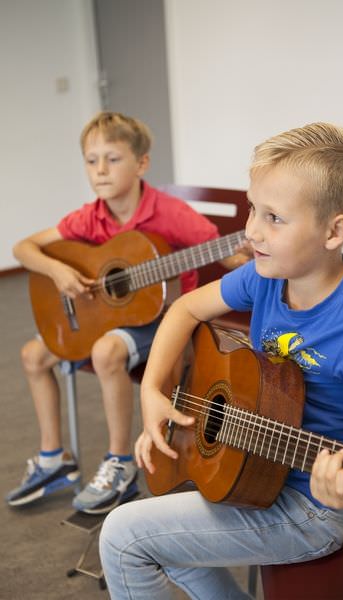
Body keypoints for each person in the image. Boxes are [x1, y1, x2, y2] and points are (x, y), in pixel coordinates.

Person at [99, 122, 343, 599]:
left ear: (334, 230)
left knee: (123, 537)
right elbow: (184, 308)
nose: (251, 231)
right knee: (160, 533)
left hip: (310, 507)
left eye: (275, 218)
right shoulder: (267, 275)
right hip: (253, 465)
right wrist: (152, 391)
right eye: (251, 208)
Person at [6, 111, 250, 514]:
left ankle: (120, 462)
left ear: (141, 163)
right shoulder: (90, 216)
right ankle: (54, 459)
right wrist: (59, 270)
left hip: (160, 318)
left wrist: (250, 254)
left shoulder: (170, 214)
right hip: (100, 316)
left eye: (113, 159)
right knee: (33, 356)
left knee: (106, 351)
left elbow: (225, 256)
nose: (100, 170)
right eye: (91, 160)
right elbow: (23, 250)